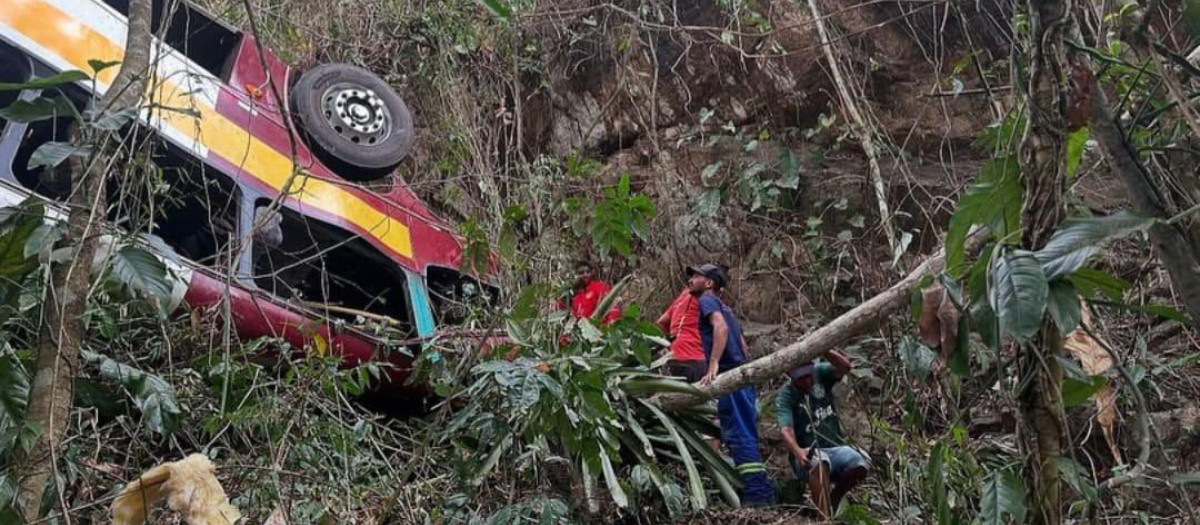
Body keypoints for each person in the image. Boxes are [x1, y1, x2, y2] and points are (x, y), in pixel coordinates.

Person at [687, 263, 774, 506]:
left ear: (709, 283)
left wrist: (714, 364)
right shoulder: (727, 309)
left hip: (731, 379)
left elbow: (721, 328)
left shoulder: (707, 301)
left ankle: (757, 499)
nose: (691, 279)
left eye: (696, 276)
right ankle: (762, 494)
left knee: (740, 436)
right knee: (743, 433)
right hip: (742, 379)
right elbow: (744, 345)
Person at [775, 350, 870, 519]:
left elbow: (845, 367)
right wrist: (799, 452)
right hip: (808, 457)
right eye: (801, 378)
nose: (807, 380)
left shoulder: (820, 373)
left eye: (808, 375)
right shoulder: (786, 396)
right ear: (790, 375)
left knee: (861, 461)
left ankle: (835, 497)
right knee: (820, 461)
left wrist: (824, 348)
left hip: (834, 448)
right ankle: (823, 518)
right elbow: (786, 430)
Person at [656, 286, 705, 383]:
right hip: (696, 357)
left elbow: (661, 323)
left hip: (674, 357)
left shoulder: (683, 297)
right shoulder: (706, 296)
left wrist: (670, 342)